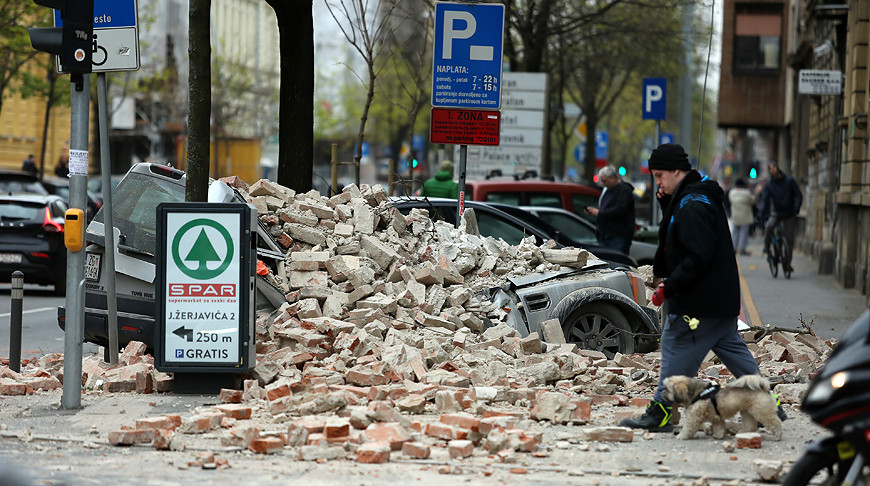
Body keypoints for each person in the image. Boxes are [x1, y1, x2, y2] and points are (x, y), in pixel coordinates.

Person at [619, 143, 783, 432]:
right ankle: (771, 406)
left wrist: (667, 290)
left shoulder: (692, 205)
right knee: (733, 349)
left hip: (698, 303)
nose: (657, 181)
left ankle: (660, 413)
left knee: (675, 347)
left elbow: (696, 257)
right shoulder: (698, 197)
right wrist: (664, 203)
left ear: (676, 170)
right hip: (718, 299)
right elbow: (682, 233)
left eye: (659, 175)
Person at [759, 163, 802, 271]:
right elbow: (765, 199)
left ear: (778, 168)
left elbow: (798, 195)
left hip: (789, 212)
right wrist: (761, 212)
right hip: (776, 213)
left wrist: (796, 208)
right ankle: (767, 247)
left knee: (789, 239)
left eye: (774, 168)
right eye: (770, 169)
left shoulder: (789, 181)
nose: (773, 170)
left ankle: (787, 263)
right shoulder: (769, 184)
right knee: (769, 226)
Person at [585, 165, 635, 255]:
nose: (603, 184)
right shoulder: (608, 189)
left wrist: (600, 213)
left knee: (616, 259)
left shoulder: (624, 190)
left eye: (604, 181)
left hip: (618, 235)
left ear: (612, 178)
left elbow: (619, 209)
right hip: (607, 235)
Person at [728, 178, 755, 255]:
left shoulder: (732, 192)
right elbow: (752, 201)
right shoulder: (746, 193)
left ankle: (733, 248)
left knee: (735, 232)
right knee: (744, 232)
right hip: (745, 216)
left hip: (735, 215)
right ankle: (742, 249)